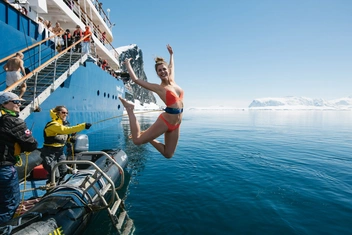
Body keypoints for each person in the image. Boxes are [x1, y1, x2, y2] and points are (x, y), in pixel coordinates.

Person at [119, 44, 183, 159]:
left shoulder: (173, 81)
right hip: (165, 121)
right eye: (159, 71)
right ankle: (130, 109)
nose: (162, 72)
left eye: (164, 69)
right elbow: (136, 80)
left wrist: (171, 55)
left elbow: (172, 66)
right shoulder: (158, 88)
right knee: (137, 140)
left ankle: (147, 135)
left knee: (168, 154)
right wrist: (128, 64)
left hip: (177, 124)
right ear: (157, 74)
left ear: (167, 70)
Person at [0, 92, 38, 224]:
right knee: (9, 206)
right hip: (4, 168)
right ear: (4, 104)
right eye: (16, 102)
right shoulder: (14, 121)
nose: (19, 104)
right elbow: (31, 144)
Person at [40, 106, 92, 183]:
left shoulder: (63, 124)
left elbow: (62, 136)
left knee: (63, 171)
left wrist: (69, 140)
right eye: (63, 112)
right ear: (57, 113)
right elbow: (65, 130)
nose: (65, 115)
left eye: (66, 113)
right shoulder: (53, 124)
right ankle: (51, 189)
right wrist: (83, 126)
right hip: (49, 152)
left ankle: (60, 187)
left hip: (60, 152)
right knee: (55, 175)